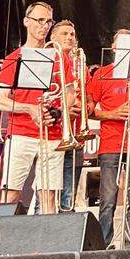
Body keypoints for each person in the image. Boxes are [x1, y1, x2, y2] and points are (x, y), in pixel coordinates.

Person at [0, 1, 70, 214]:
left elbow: (70, 94)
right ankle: (3, 244)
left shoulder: (59, 56)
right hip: (21, 134)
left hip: (52, 134)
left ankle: (48, 247)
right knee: (10, 194)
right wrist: (30, 109)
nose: (44, 26)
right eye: (39, 20)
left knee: (49, 199)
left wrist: (57, 111)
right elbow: (0, 100)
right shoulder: (13, 58)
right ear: (27, 21)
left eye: (48, 21)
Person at [86, 29, 130, 249]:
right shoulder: (102, 74)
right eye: (123, 43)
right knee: (107, 201)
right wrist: (112, 113)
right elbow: (88, 110)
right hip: (111, 144)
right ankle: (104, 247)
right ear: (114, 47)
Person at [49, 20, 85, 211]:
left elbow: (87, 98)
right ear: (53, 38)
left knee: (68, 196)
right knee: (47, 193)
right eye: (64, 34)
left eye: (72, 34)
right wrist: (63, 109)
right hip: (53, 134)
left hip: (75, 134)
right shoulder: (48, 61)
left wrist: (82, 104)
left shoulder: (80, 65)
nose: (70, 37)